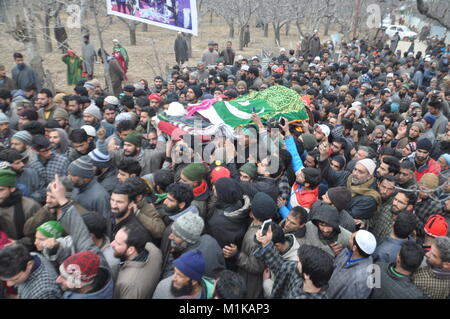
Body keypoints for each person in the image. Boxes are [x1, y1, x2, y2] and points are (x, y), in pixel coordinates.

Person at [254, 224, 334, 299]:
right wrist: (266, 243)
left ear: (307, 275)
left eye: (299, 262)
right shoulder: (301, 276)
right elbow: (282, 267)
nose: (296, 262)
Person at [224, 192, 276, 299]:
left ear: (252, 214)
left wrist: (237, 254)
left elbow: (257, 267)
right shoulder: (266, 225)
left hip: (251, 285)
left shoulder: (256, 239)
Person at [164, 211, 225, 279]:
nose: (170, 236)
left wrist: (170, 257)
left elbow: (170, 279)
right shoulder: (209, 239)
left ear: (187, 240)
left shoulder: (187, 261)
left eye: (176, 235)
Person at [111, 224, 162, 299]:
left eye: (118, 243)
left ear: (131, 250)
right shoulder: (155, 251)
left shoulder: (129, 285)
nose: (112, 244)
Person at [327, 230, 378, 299]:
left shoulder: (361, 279)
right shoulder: (347, 251)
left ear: (354, 248)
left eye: (351, 238)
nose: (349, 238)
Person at [0, 169, 41, 249]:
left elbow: (40, 236)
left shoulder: (30, 206)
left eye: (1, 190)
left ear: (12, 189)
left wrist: (18, 243)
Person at [67, 155, 111, 226]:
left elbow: (105, 223)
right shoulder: (77, 185)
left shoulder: (101, 197)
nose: (69, 177)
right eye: (68, 174)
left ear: (86, 178)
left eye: (73, 175)